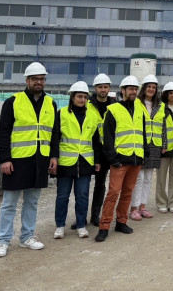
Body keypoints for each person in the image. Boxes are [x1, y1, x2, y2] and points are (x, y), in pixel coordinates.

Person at [0, 62, 56, 258]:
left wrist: (53, 156)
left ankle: (27, 236)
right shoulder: (13, 102)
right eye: (36, 79)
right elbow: (3, 133)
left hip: (40, 160)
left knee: (32, 201)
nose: (39, 82)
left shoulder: (51, 103)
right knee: (9, 203)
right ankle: (3, 241)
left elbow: (54, 134)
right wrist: (5, 159)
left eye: (42, 79)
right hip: (17, 160)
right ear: (27, 80)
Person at [94, 75, 145, 242]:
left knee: (127, 192)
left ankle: (122, 222)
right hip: (120, 160)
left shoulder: (139, 109)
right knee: (113, 193)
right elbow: (107, 138)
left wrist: (143, 154)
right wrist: (113, 158)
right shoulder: (113, 110)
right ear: (123, 91)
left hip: (136, 158)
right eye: (130, 89)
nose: (133, 92)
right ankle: (104, 226)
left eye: (135, 89)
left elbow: (142, 133)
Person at [50, 81, 101, 239]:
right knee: (62, 196)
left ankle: (81, 225)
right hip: (66, 162)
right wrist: (54, 158)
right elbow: (55, 138)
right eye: (79, 96)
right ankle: (60, 226)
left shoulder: (92, 116)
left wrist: (97, 161)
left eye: (85, 97)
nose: (82, 100)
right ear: (72, 97)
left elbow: (96, 141)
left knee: (83, 195)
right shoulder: (62, 113)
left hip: (85, 161)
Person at [130, 74, 167, 220]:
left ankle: (143, 207)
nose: (151, 89)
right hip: (140, 143)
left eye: (154, 87)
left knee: (148, 178)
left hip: (155, 144)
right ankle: (134, 208)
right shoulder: (136, 103)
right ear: (144, 88)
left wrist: (164, 144)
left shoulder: (160, 105)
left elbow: (163, 126)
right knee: (139, 177)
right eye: (149, 86)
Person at [81, 73, 115, 228]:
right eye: (100, 87)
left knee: (100, 185)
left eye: (105, 87)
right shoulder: (87, 104)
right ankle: (81, 217)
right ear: (95, 88)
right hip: (90, 150)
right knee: (84, 185)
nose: (103, 89)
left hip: (107, 151)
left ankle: (95, 215)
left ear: (109, 88)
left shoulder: (115, 105)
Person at [155, 82, 173, 213]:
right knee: (161, 179)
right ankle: (161, 202)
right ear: (165, 95)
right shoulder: (159, 108)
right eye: (170, 93)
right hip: (163, 149)